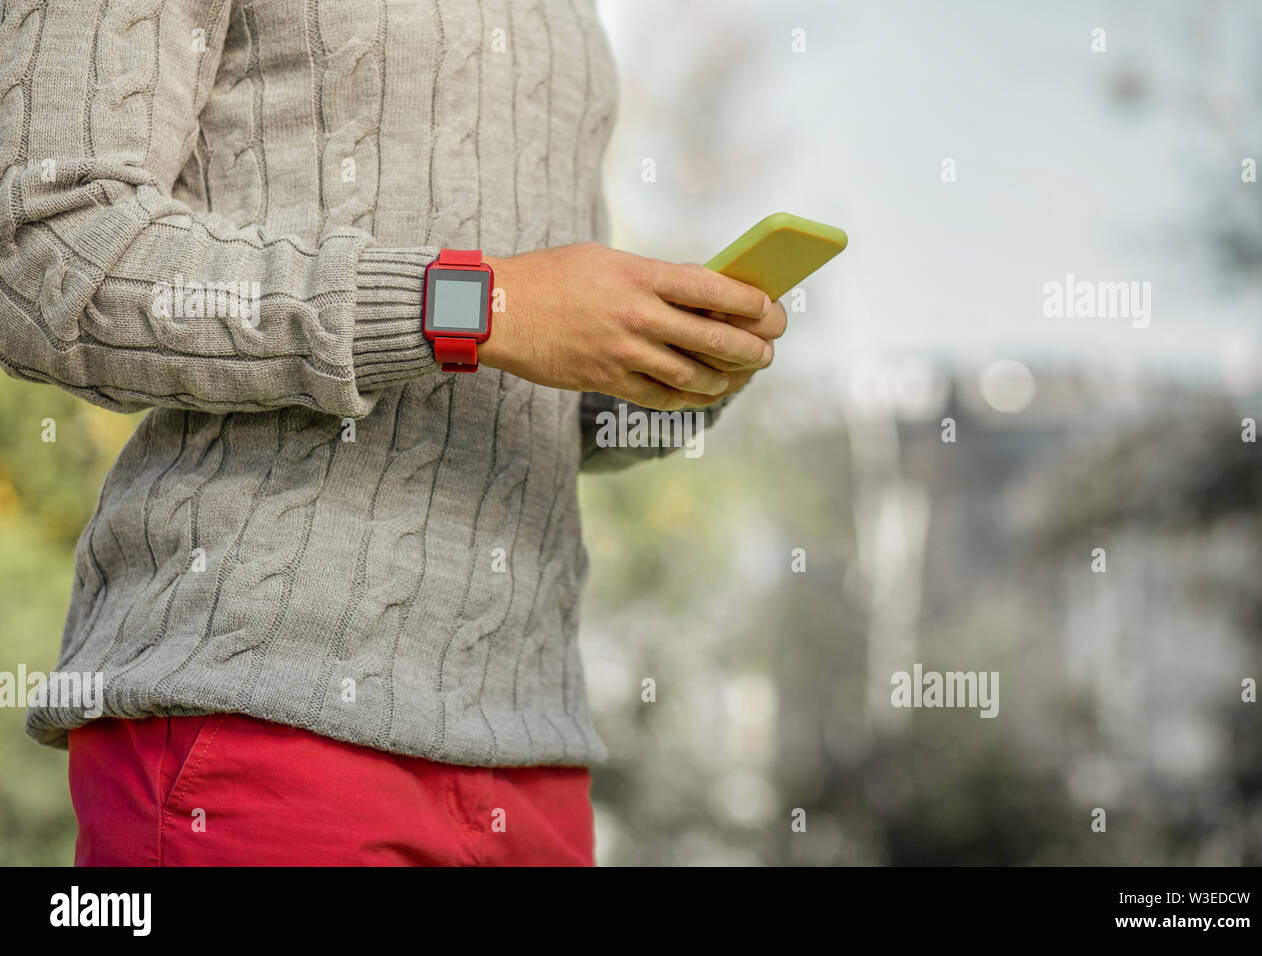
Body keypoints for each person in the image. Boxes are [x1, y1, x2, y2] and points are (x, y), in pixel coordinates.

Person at [0, 0, 785, 865]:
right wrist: (479, 307)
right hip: (259, 722)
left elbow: (518, 376)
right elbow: (48, 251)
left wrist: (666, 374)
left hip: (534, 751)